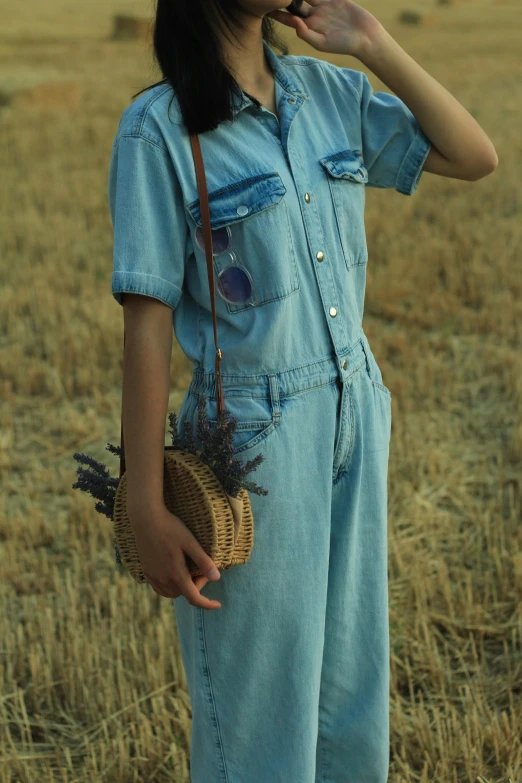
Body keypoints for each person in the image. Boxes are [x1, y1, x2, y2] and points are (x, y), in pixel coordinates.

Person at [108, 1, 498, 780]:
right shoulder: (159, 128)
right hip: (253, 439)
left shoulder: (329, 93)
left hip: (357, 409)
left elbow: (473, 153)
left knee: (351, 714)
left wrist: (374, 43)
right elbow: (146, 327)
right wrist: (141, 500)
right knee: (259, 732)